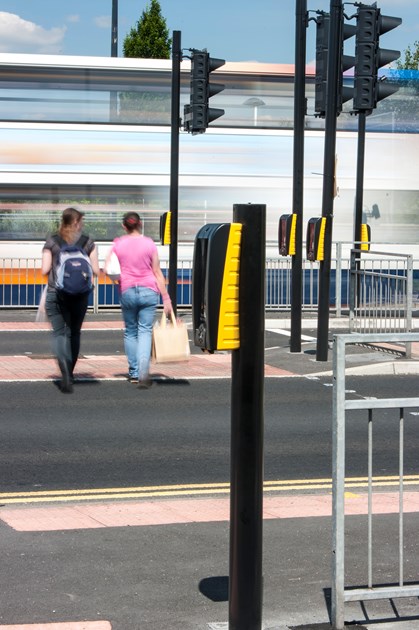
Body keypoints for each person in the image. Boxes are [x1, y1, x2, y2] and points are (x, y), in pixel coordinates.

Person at [104, 211, 172, 389]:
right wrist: (166, 299)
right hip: (149, 291)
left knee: (130, 332)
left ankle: (134, 372)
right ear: (140, 224)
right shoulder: (149, 244)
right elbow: (157, 272)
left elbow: (107, 267)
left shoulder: (118, 244)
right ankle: (143, 372)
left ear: (124, 226)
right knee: (145, 331)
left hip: (127, 290)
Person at [41, 207, 99, 393]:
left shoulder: (52, 240)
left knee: (59, 333)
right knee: (74, 333)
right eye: (81, 220)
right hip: (80, 295)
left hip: (56, 293)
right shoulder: (87, 241)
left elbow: (44, 269)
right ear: (76, 222)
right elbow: (96, 270)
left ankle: (64, 373)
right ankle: (71, 373)